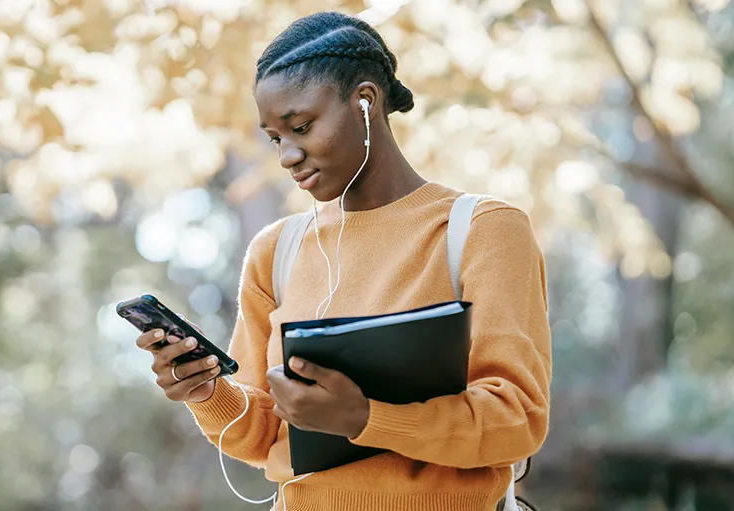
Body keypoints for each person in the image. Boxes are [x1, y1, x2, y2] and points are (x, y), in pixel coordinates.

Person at [134, 10, 551, 511]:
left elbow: (517, 419)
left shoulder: (480, 230)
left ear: (365, 102)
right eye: (275, 138)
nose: (287, 155)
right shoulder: (276, 251)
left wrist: (364, 417)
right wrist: (206, 390)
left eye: (302, 126)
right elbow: (262, 434)